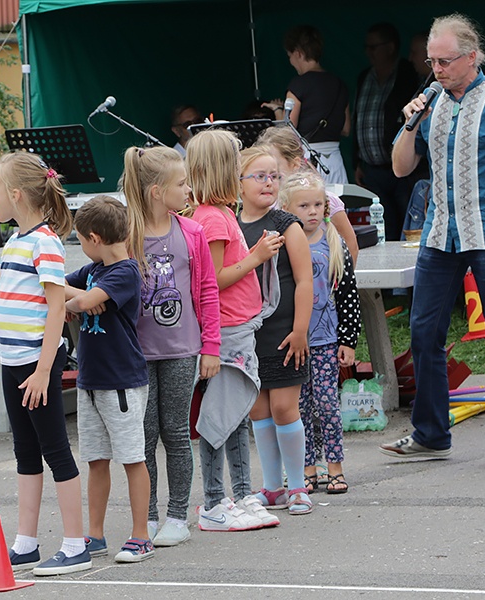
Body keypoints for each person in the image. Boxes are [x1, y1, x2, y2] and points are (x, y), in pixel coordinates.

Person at [381, 13, 485, 471]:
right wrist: (411, 121)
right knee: (423, 332)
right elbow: (399, 167)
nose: (435, 69)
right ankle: (432, 433)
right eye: (431, 61)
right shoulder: (430, 102)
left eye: (445, 61)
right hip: (440, 234)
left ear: (472, 57)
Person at [0, 152, 91, 576]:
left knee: (55, 449)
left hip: (36, 364)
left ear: (17, 194)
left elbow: (57, 309)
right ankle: (25, 542)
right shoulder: (14, 243)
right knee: (25, 450)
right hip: (12, 362)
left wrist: (44, 371)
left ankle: (76, 544)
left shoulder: (45, 242)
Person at [122, 145, 222, 547]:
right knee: (143, 437)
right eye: (181, 184)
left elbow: (208, 291)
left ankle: (177, 516)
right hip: (135, 354)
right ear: (156, 192)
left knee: (176, 432)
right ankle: (144, 517)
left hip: (182, 349)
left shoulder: (192, 232)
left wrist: (211, 347)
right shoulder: (125, 232)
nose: (189, 189)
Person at [186, 129, 284, 531]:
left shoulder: (220, 213)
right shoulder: (211, 218)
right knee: (220, 419)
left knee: (236, 414)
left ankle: (241, 494)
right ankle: (215, 501)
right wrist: (257, 256)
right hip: (225, 332)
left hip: (239, 329)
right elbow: (215, 280)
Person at [63, 196, 155, 563]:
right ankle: (95, 535)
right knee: (96, 460)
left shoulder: (125, 272)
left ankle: (141, 535)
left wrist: (79, 301)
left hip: (122, 382)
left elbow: (82, 304)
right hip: (90, 381)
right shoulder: (91, 271)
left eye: (81, 241)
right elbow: (55, 286)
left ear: (95, 238)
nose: (82, 249)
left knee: (133, 458)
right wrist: (80, 296)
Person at [237, 146, 314, 515]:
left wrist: (300, 331)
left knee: (285, 407)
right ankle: (271, 487)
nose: (269, 183)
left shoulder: (287, 225)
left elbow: (303, 281)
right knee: (258, 410)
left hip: (284, 331)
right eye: (259, 176)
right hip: (247, 335)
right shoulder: (231, 225)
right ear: (238, 183)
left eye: (274, 176)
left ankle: (297, 485)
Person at [279, 170, 361, 495]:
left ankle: (336, 466)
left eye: (318, 205)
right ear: (287, 208)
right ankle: (307, 467)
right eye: (304, 206)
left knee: (327, 404)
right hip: (293, 341)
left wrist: (348, 339)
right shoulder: (282, 241)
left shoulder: (332, 240)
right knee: (300, 407)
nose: (312, 212)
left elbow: (348, 293)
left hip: (326, 339)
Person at [353, 22, 421, 242]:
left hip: (402, 169)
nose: (368, 53)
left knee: (408, 226)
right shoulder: (364, 76)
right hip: (372, 168)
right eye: (366, 47)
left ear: (390, 47)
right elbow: (359, 118)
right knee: (382, 229)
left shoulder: (408, 74)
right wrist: (357, 161)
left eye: (374, 47)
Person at [257, 126, 359, 264]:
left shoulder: (327, 200)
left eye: (274, 166)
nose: (270, 175)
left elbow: (351, 245)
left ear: (295, 164)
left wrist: (341, 282)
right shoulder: (266, 204)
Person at [262, 25, 350, 184]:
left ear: (298, 54)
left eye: (290, 56)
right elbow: (346, 129)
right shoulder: (340, 85)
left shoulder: (298, 85)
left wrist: (277, 110)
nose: (290, 61)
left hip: (309, 163)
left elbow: (290, 130)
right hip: (336, 162)